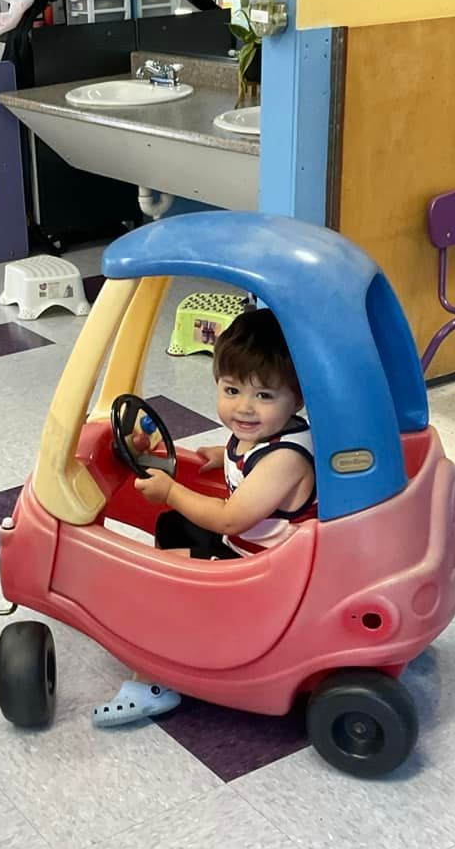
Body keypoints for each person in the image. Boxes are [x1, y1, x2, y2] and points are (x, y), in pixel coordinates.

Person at [92, 309, 316, 727]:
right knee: (173, 527)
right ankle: (182, 590)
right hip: (251, 551)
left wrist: (172, 491)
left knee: (165, 585)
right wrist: (223, 454)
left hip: (266, 576)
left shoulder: (284, 457)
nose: (244, 408)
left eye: (265, 396)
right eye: (231, 390)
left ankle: (154, 683)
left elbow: (231, 519)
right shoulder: (263, 435)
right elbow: (247, 465)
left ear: (297, 398)